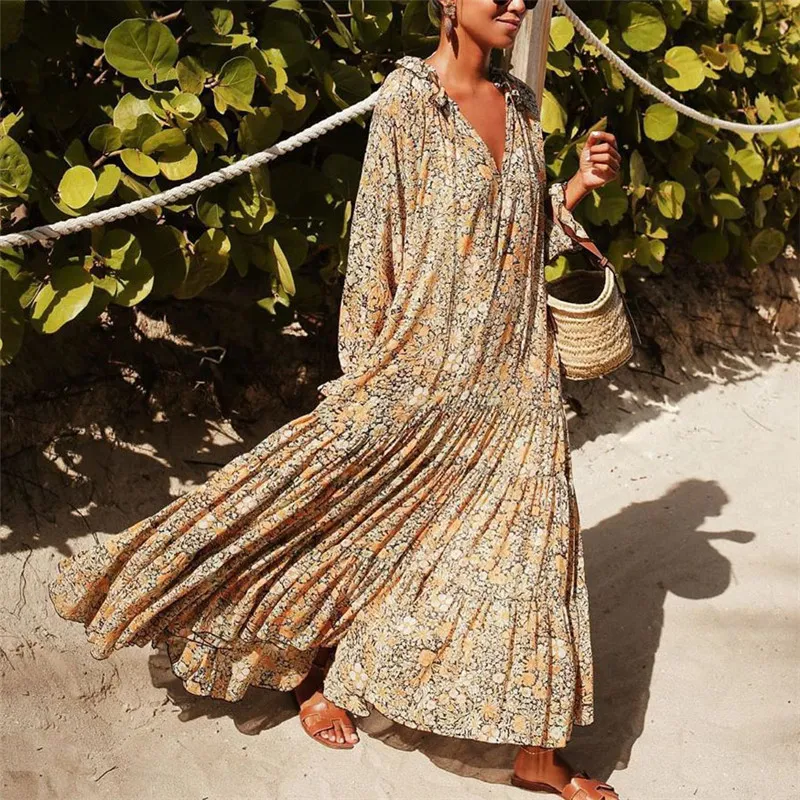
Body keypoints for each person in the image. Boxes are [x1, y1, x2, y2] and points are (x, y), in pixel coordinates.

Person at [48, 0, 623, 796]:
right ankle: (308, 666)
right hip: (423, 363)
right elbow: (376, 243)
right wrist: (366, 378)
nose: (515, 3)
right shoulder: (410, 101)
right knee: (349, 516)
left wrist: (578, 187)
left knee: (535, 546)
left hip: (516, 369)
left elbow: (512, 232)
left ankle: (535, 751)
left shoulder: (521, 104)